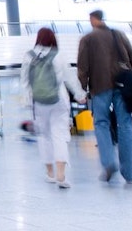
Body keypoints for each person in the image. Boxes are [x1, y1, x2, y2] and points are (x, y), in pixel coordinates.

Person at [77, 9, 132, 184]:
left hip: (100, 86)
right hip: (123, 85)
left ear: (92, 19)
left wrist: (82, 89)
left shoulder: (87, 39)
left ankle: (108, 162)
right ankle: (131, 174)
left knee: (101, 123)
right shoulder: (118, 35)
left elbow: (83, 67)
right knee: (126, 125)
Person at [21, 27, 86, 188]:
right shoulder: (59, 55)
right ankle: (61, 175)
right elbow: (70, 78)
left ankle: (50, 174)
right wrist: (79, 95)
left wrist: (28, 102)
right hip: (59, 101)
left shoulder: (28, 57)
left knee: (44, 137)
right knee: (60, 135)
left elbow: (25, 82)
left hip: (39, 103)